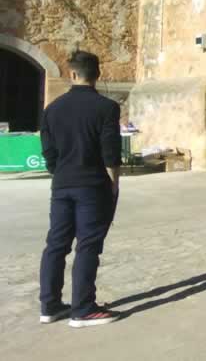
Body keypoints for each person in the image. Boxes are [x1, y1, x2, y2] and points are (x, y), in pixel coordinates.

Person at [38, 51, 121, 327]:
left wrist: (61, 172)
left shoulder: (52, 109)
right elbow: (110, 153)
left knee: (56, 244)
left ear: (72, 74)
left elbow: (48, 152)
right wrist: (114, 184)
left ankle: (49, 305)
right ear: (98, 74)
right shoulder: (107, 108)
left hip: (62, 184)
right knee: (87, 245)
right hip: (92, 185)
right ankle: (83, 309)